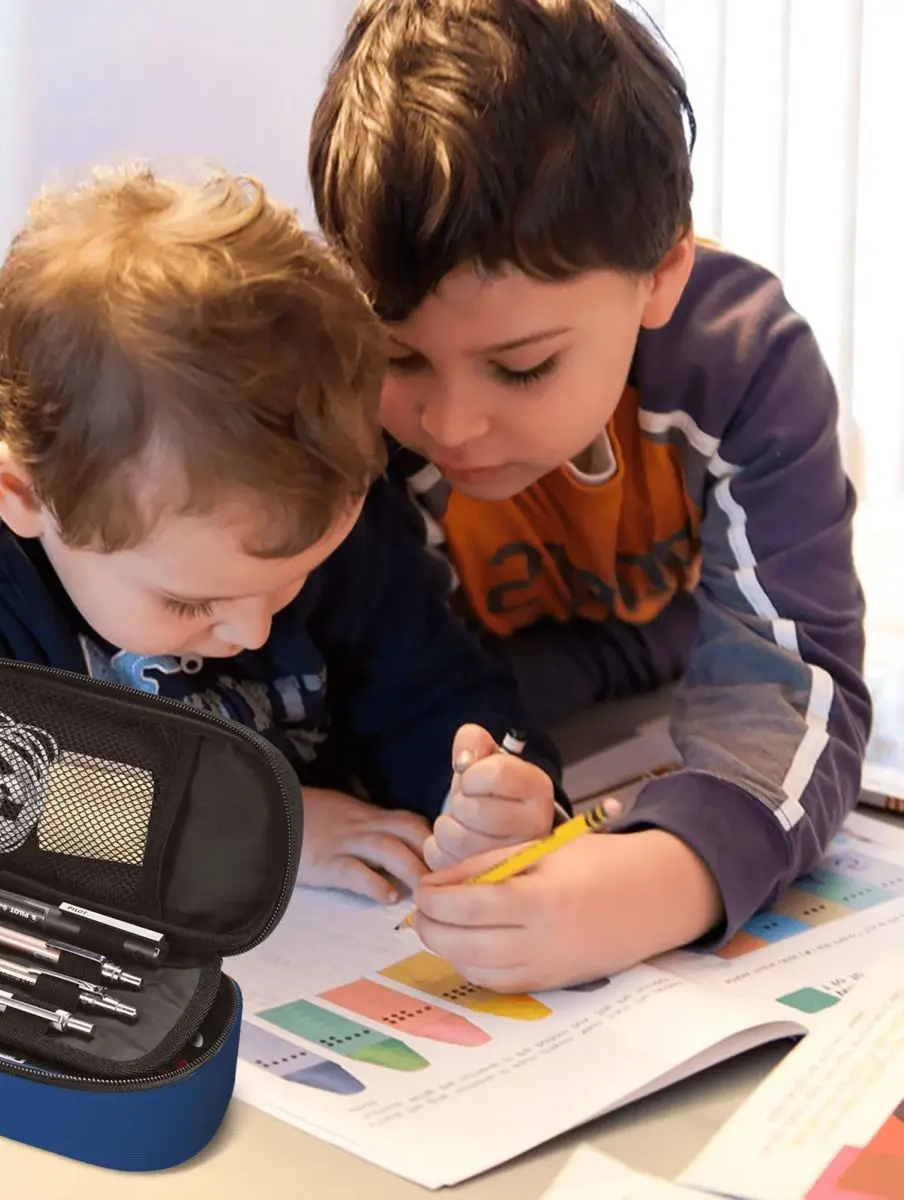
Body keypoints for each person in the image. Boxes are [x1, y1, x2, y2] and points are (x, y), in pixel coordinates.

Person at [0, 165, 569, 906]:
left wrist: (487, 793)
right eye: (188, 603)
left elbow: (423, 685)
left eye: (291, 580)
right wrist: (265, 830)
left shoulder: (308, 484)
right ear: (27, 498)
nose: (253, 625)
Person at [308, 0, 871, 989]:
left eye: (521, 368)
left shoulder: (746, 364)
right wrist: (485, 785)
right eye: (399, 355)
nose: (450, 425)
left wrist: (672, 875)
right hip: (540, 723)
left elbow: (794, 681)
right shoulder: (337, 396)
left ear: (661, 274)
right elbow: (375, 696)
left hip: (667, 697)